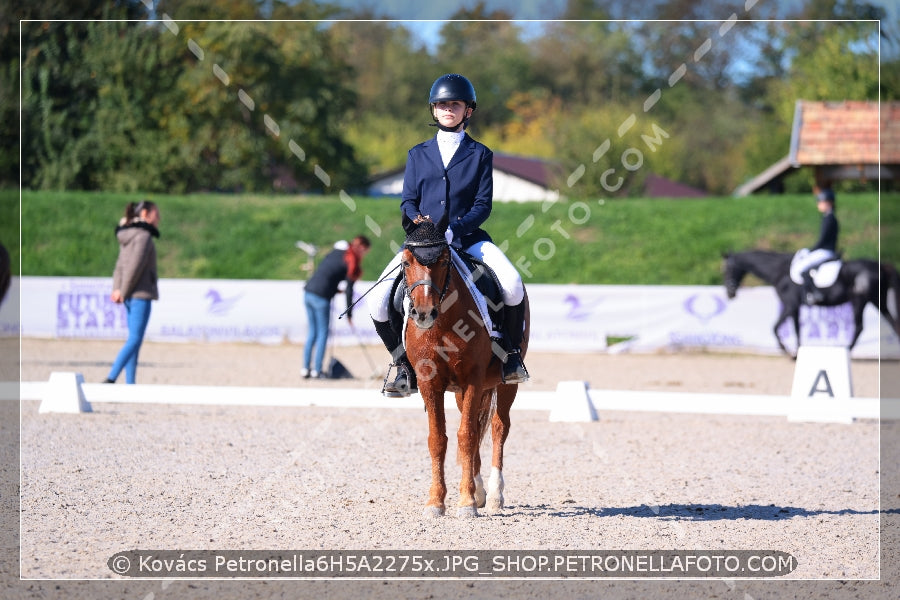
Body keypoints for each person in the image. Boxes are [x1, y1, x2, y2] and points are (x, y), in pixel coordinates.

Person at [368, 73, 529, 398]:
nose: (448, 110)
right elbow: (408, 202)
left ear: (467, 110)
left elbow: (483, 205)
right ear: (434, 110)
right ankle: (401, 365)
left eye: (454, 105)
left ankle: (510, 357)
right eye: (442, 104)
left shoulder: (480, 154)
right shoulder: (418, 154)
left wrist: (458, 227)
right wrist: (419, 224)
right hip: (423, 244)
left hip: (468, 238)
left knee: (511, 284)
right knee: (377, 299)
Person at [104, 200, 160, 384]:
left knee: (133, 340)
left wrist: (117, 289)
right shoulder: (143, 236)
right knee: (135, 340)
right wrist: (124, 291)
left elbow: (119, 266)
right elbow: (134, 268)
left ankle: (130, 384)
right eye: (155, 214)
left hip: (128, 294)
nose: (158, 218)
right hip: (140, 294)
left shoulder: (128, 234)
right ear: (145, 214)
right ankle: (112, 377)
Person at [302, 235, 371, 378]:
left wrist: (334, 290)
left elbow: (328, 273)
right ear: (362, 248)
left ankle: (305, 369)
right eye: (365, 252)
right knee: (322, 333)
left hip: (308, 292)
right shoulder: (352, 262)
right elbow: (349, 290)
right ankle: (317, 371)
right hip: (321, 298)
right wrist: (349, 314)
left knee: (312, 333)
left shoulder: (338, 251)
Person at [797, 185, 839, 305]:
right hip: (826, 249)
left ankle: (814, 293)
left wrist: (811, 251)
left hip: (825, 250)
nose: (818, 204)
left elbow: (823, 239)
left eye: (821, 202)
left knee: (802, 268)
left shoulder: (829, 218)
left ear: (828, 203)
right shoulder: (828, 217)